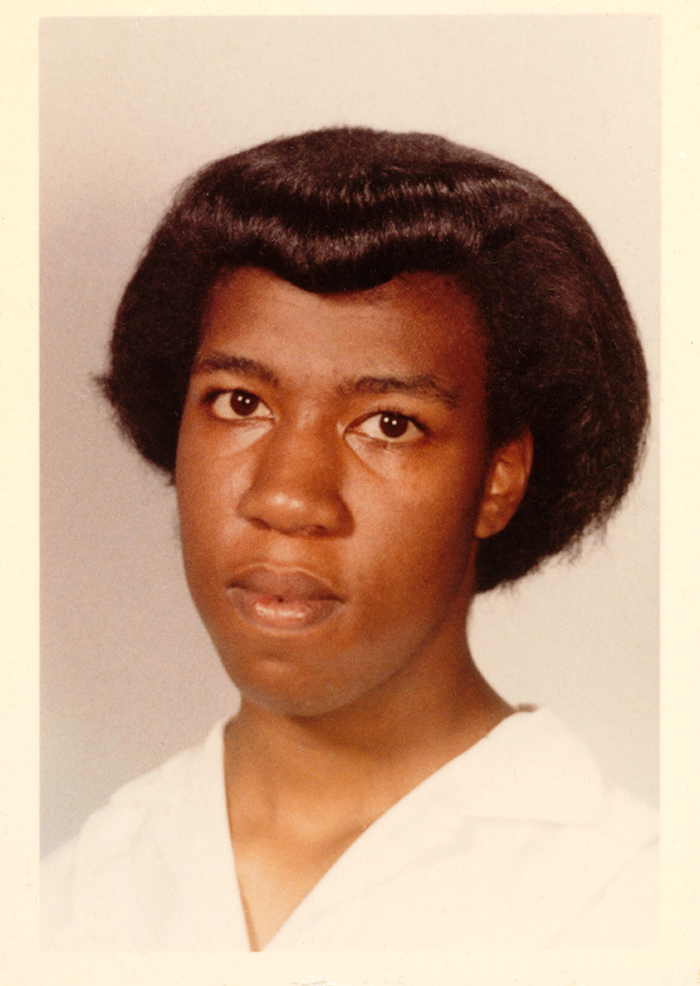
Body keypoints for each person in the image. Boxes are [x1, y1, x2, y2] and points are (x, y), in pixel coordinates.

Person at [41, 126, 657, 950]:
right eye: (238, 402)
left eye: (389, 423)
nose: (288, 497)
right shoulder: (74, 894)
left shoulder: (631, 903)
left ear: (499, 478)